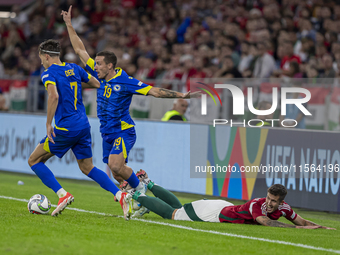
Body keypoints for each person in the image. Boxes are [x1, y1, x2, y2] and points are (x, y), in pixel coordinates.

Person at [61, 6, 199, 194]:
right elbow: (79, 49)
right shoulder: (100, 74)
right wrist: (69, 24)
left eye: (99, 63)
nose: (95, 66)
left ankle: (142, 188)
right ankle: (142, 185)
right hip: (106, 132)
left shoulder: (126, 81)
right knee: (118, 174)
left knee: (115, 165)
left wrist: (181, 95)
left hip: (124, 130)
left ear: (110, 66)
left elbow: (154, 92)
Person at [27, 39, 132, 219]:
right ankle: (120, 194)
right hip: (83, 125)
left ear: (45, 56)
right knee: (87, 167)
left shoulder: (48, 73)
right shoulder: (74, 68)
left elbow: (53, 96)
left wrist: (48, 124)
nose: (41, 62)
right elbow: (96, 82)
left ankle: (62, 195)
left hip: (66, 129)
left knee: (34, 160)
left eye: (41, 58)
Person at [125, 170, 335, 229]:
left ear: (281, 202)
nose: (269, 203)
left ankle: (149, 183)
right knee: (174, 214)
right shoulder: (257, 204)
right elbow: (265, 221)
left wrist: (321, 228)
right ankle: (135, 193)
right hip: (216, 213)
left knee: (180, 208)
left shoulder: (285, 208)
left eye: (274, 201)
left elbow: (302, 221)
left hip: (224, 207)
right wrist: (296, 229)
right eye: (269, 199)